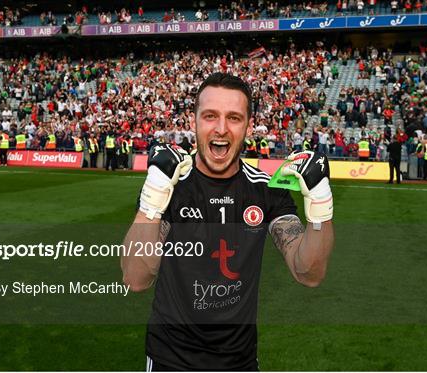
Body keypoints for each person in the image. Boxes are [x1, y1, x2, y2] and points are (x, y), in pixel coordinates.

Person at [121, 73, 334, 371]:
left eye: (234, 118)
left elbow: (308, 272)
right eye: (210, 116)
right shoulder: (171, 186)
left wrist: (321, 208)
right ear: (193, 120)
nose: (221, 129)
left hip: (239, 361)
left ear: (248, 125)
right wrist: (152, 202)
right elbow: (136, 279)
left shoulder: (265, 189)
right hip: (170, 359)